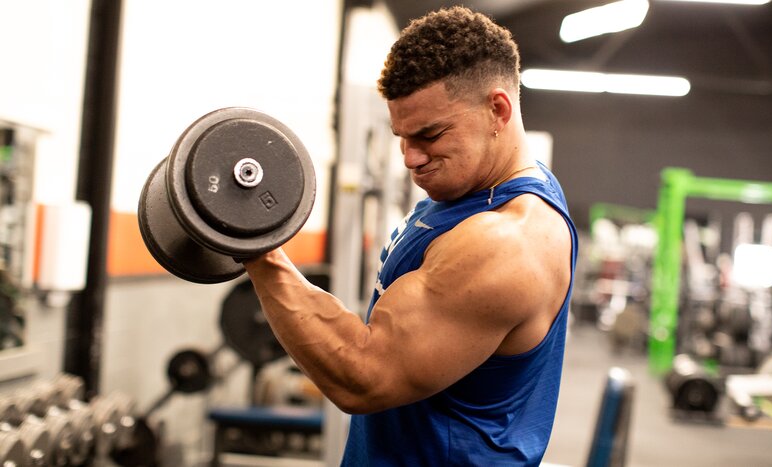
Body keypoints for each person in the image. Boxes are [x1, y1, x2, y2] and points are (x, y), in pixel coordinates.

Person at [244, 6, 578, 465]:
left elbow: (363, 375)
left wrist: (257, 249)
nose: (410, 158)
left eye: (430, 135)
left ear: (497, 109)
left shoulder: (505, 242)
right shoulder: (475, 188)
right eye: (401, 136)